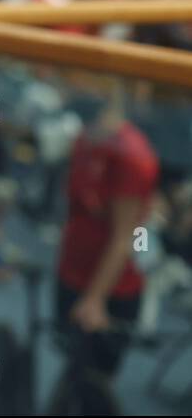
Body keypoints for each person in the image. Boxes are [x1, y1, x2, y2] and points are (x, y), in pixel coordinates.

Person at [56, 77, 159, 392]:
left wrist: (96, 299)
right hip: (71, 272)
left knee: (95, 384)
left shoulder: (132, 156)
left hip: (111, 289)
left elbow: (123, 236)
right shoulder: (83, 140)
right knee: (71, 371)